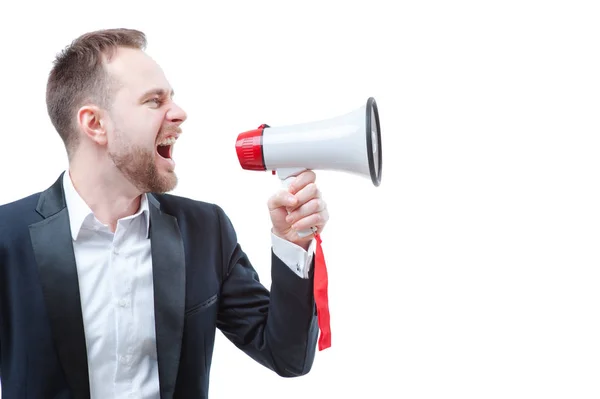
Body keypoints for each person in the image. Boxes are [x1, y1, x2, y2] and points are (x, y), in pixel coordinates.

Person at [0, 28, 329, 399]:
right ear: (95, 124)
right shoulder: (6, 238)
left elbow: (288, 357)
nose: (179, 113)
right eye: (155, 101)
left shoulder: (205, 231)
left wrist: (291, 244)